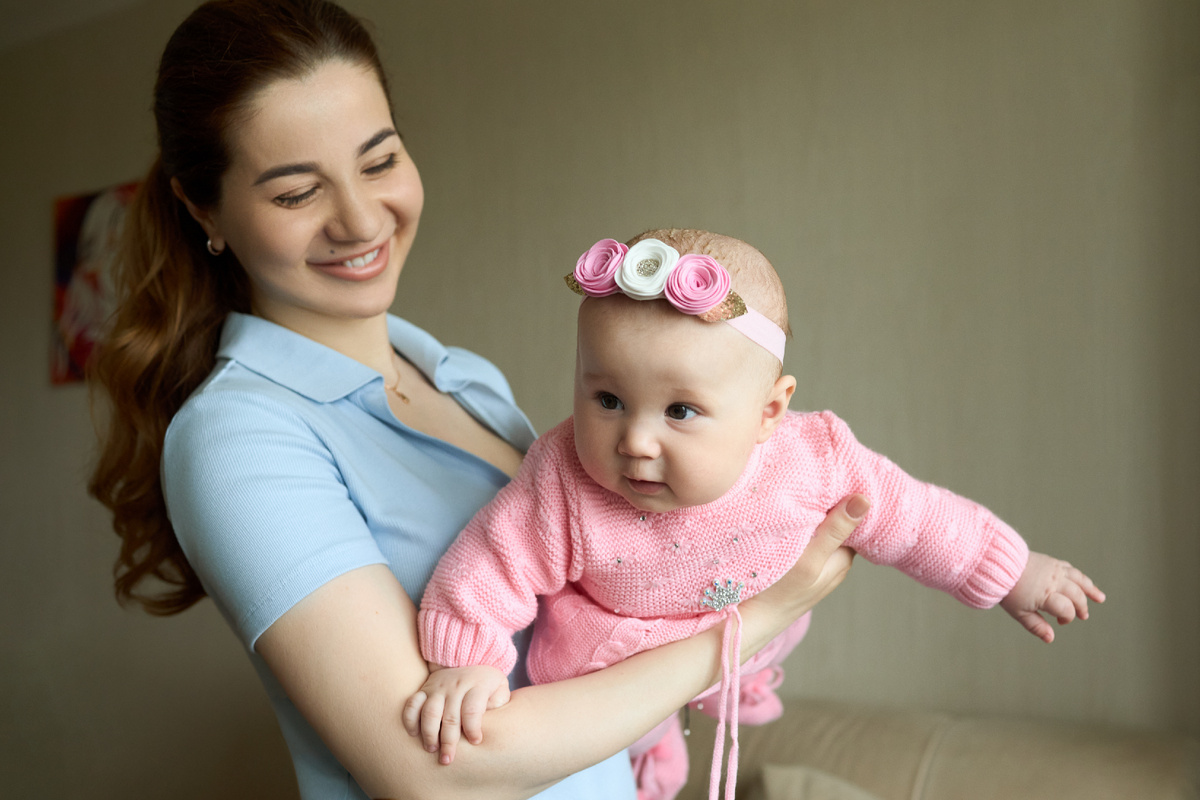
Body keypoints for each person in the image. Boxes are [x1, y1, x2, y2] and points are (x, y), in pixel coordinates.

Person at [86, 3, 862, 799]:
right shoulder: (237, 438)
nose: (360, 219)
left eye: (379, 161)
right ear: (204, 208)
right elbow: (430, 774)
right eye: (296, 193)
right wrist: (758, 619)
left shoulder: (466, 380)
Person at [409, 229, 1106, 800]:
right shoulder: (563, 478)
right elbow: (490, 563)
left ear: (769, 412)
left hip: (744, 631)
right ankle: (652, 748)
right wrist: (465, 663)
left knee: (731, 673)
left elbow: (917, 517)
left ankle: (716, 698)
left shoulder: (814, 460)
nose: (636, 440)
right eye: (608, 400)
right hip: (608, 662)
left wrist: (1011, 570)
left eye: (680, 411)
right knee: (629, 726)